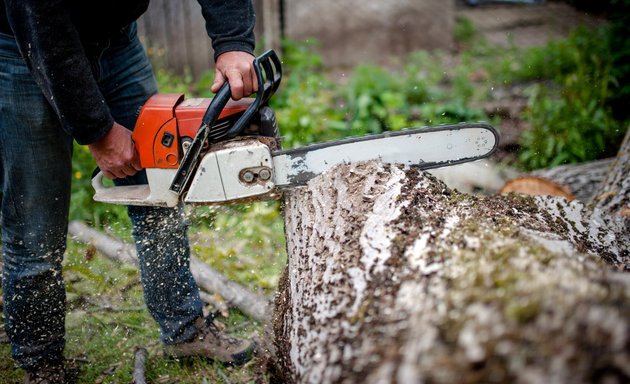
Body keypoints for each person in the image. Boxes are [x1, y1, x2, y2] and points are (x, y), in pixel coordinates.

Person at [0, 1, 259, 382]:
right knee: (34, 226)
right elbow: (45, 29)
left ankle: (184, 329)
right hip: (26, 47)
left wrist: (234, 42)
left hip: (117, 43)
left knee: (160, 193)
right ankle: (42, 365)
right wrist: (97, 131)